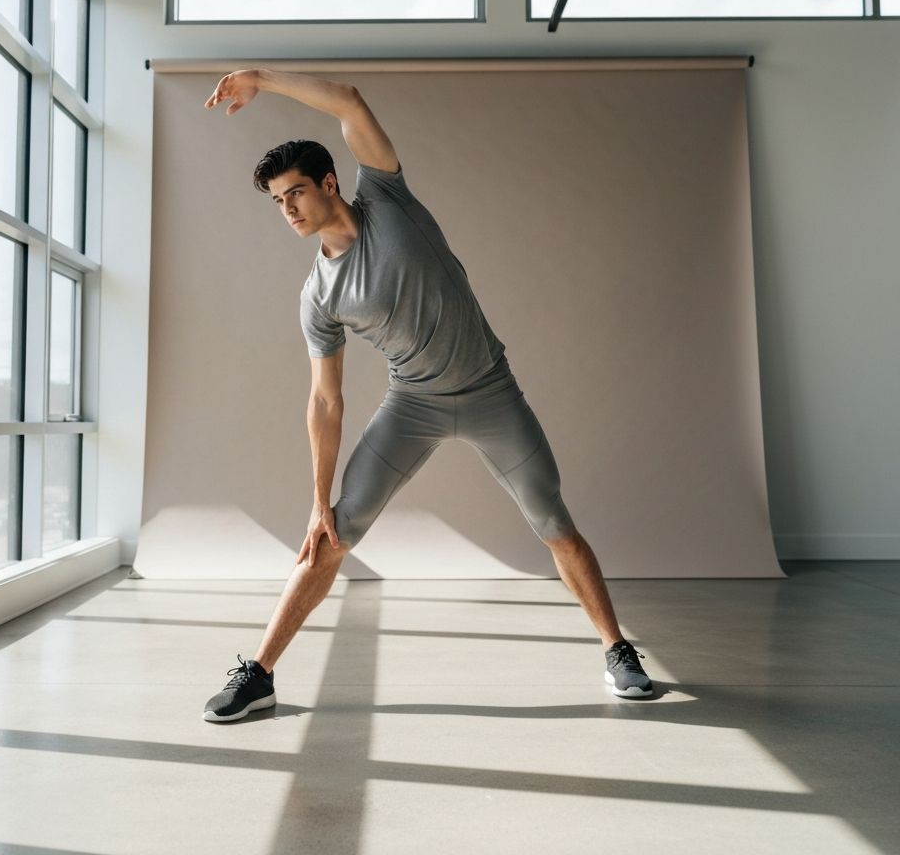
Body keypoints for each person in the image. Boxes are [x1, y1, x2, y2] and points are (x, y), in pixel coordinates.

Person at [200, 68, 653, 722]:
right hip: (412, 404)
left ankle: (618, 649)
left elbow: (349, 102)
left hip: (492, 393)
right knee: (327, 540)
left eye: (295, 191)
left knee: (557, 527)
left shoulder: (386, 198)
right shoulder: (318, 295)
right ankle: (260, 675)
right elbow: (325, 401)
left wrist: (263, 80)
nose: (288, 208)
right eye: (276, 200)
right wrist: (316, 501)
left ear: (329, 183)